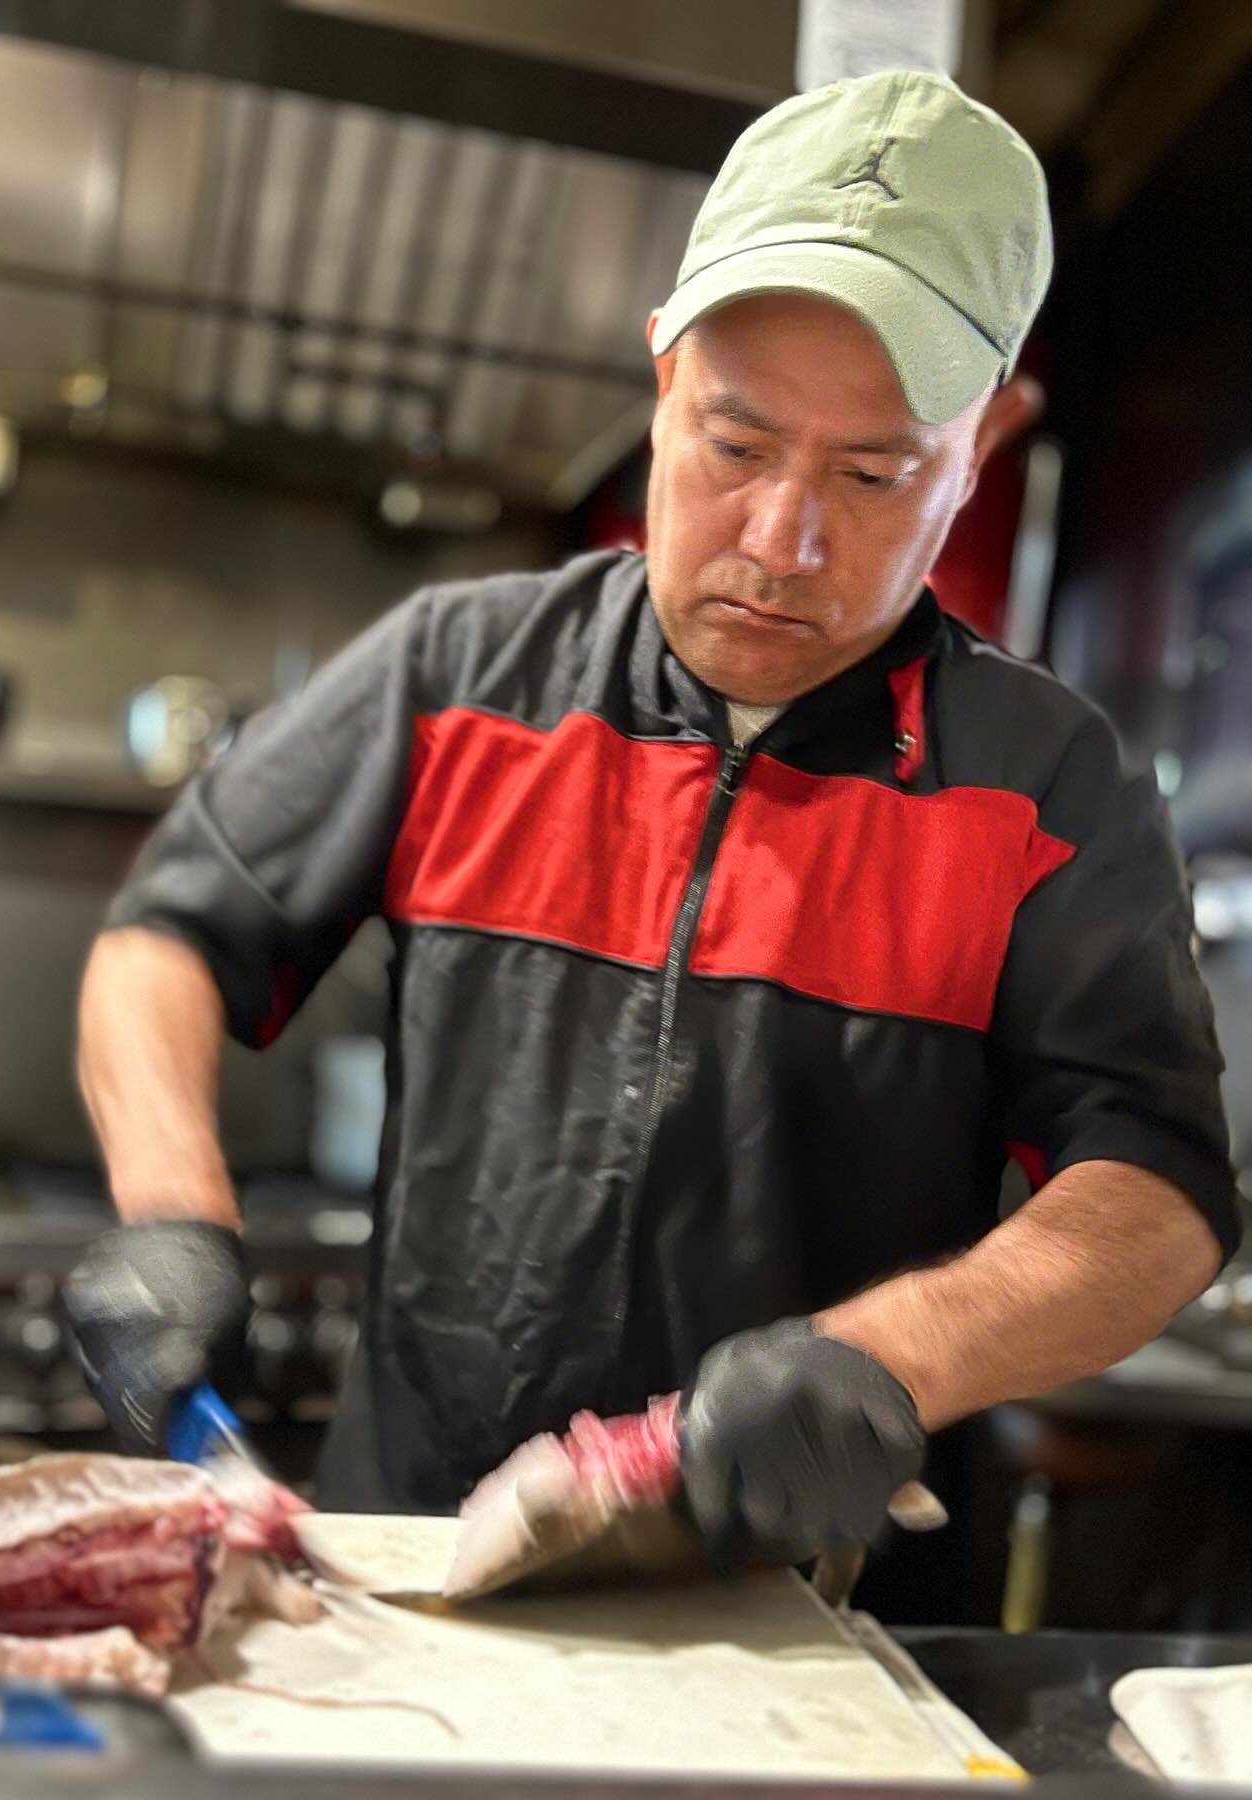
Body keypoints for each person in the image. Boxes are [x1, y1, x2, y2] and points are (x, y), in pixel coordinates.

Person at [65, 70, 1238, 1581]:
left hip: (809, 1603)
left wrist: (897, 1353)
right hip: (409, 1556)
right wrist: (172, 1212)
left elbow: (1159, 1193)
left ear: (979, 449)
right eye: (735, 446)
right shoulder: (458, 674)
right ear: (663, 373)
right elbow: (172, 934)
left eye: (874, 474)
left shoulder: (1042, 780)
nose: (781, 541)